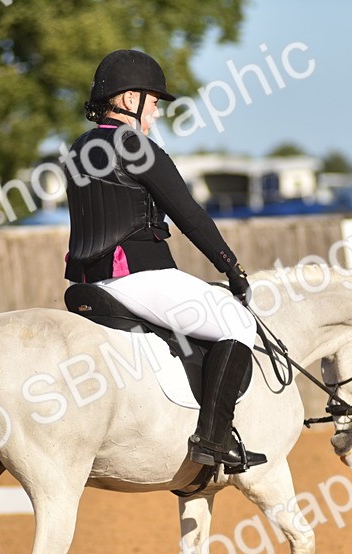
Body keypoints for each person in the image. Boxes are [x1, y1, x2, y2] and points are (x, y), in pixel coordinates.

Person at [64, 49, 266, 473]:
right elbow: (188, 213)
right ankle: (213, 439)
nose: (155, 114)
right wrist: (232, 268)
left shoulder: (78, 149)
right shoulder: (135, 144)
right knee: (237, 323)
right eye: (154, 103)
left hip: (89, 285)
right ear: (130, 98)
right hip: (140, 277)